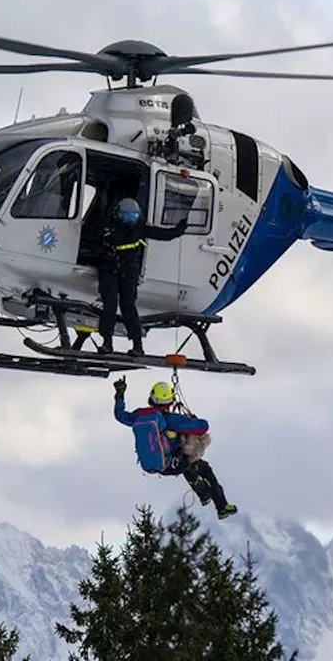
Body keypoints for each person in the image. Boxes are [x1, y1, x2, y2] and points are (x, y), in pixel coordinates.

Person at [112, 375, 238, 520]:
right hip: (173, 464)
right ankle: (222, 506)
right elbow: (203, 426)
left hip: (157, 465)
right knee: (201, 467)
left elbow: (120, 415)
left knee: (188, 464)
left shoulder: (140, 415)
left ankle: (203, 495)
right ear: (170, 401)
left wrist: (120, 394)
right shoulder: (171, 419)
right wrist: (192, 420)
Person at [96, 197, 188, 355]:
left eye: (132, 217)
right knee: (109, 307)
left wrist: (180, 228)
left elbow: (164, 234)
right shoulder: (106, 225)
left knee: (128, 307)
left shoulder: (140, 228)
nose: (130, 221)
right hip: (108, 269)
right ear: (118, 214)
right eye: (127, 217)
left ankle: (137, 346)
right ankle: (107, 343)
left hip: (128, 271)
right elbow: (92, 240)